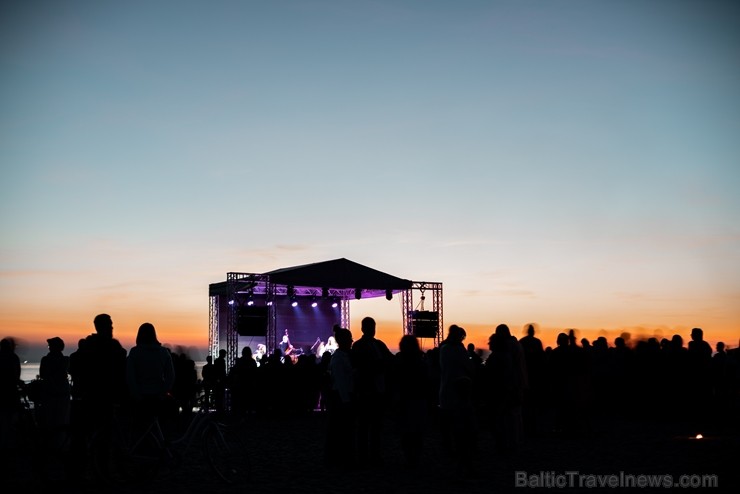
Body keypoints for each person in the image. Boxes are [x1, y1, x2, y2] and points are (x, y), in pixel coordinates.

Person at [351, 316, 393, 466]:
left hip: (377, 390)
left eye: (373, 327)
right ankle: (364, 456)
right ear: (363, 329)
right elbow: (357, 367)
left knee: (374, 426)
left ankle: (373, 455)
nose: (372, 330)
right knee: (365, 426)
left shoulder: (377, 344)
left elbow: (390, 361)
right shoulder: (359, 346)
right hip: (366, 391)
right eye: (370, 327)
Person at [438, 324, 475, 473]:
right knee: (460, 425)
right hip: (460, 391)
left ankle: (448, 448)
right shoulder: (459, 350)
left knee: (447, 424)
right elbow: (469, 367)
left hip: (445, 390)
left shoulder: (444, 349)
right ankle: (461, 451)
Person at [126, 323, 175, 421]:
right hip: (158, 397)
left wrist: (137, 396)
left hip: (140, 398)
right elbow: (170, 376)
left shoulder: (135, 352)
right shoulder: (163, 352)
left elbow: (130, 376)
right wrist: (162, 394)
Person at [325, 327, 354, 469]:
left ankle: (337, 458)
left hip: (340, 397)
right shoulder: (339, 358)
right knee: (340, 430)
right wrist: (347, 401)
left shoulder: (340, 357)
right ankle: (339, 459)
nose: (352, 342)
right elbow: (342, 382)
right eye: (349, 339)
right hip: (342, 398)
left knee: (338, 430)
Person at [37, 337, 71, 438]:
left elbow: (42, 375)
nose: (49, 348)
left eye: (49, 346)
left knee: (50, 420)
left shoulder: (45, 360)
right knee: (62, 419)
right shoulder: (66, 360)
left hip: (50, 393)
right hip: (62, 393)